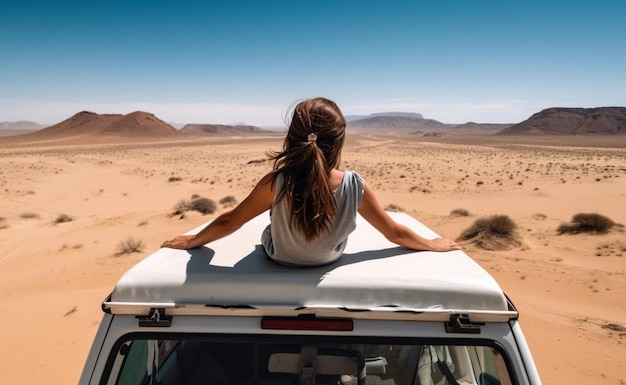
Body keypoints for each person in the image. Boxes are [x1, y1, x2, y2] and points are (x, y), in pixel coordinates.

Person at [161, 97, 459, 266]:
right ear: (339, 142)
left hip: (279, 259)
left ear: (292, 138)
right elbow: (393, 233)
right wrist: (429, 244)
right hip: (328, 259)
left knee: (266, 231)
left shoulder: (276, 182)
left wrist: (193, 241)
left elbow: (230, 222)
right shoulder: (356, 185)